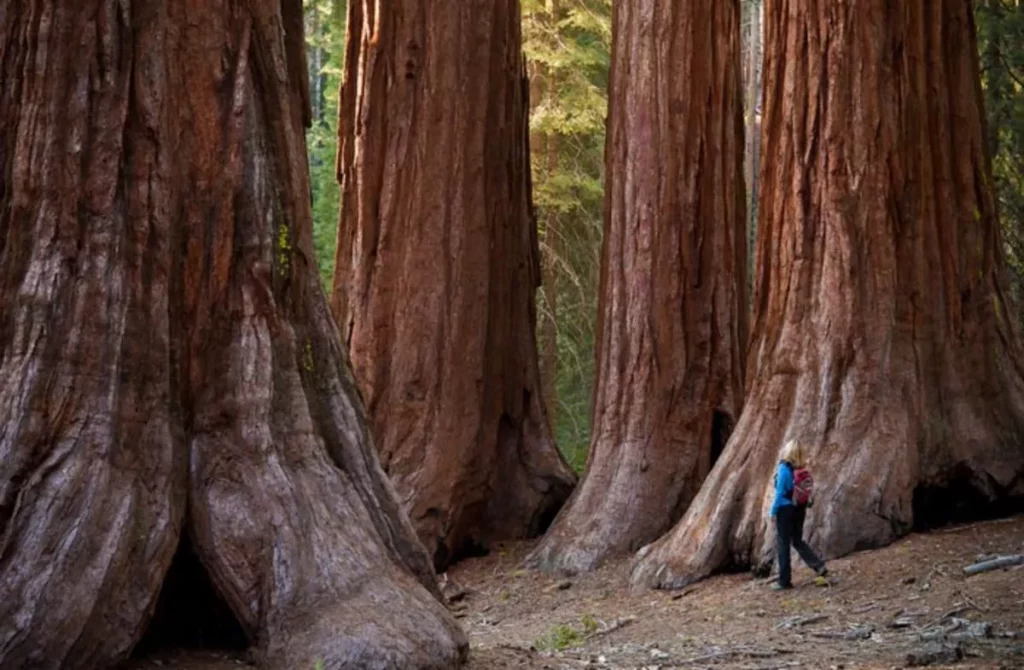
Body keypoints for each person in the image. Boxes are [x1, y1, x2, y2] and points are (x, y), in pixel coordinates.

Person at [770, 439, 827, 590]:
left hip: (785, 509)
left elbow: (780, 492)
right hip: (799, 509)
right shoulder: (800, 468)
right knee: (797, 540)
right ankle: (818, 565)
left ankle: (784, 581)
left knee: (783, 544)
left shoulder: (784, 468)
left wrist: (773, 511)